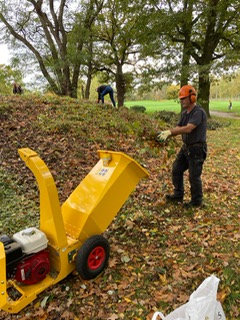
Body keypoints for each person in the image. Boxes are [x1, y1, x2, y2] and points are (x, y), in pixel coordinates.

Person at [157, 85, 207, 207]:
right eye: (181, 99)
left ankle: (196, 202)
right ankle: (178, 195)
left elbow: (189, 128)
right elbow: (179, 128)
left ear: (192, 97)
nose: (182, 101)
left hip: (197, 149)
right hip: (186, 148)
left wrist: (171, 132)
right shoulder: (185, 114)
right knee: (176, 169)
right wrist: (167, 133)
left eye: (184, 98)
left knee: (194, 176)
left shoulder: (198, 112)